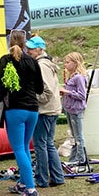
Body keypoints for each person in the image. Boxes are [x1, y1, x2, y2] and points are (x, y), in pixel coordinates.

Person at [0, 29, 44, 196]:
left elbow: (1, 86)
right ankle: (23, 183)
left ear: (9, 42)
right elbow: (40, 87)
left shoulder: (5, 60)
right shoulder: (32, 61)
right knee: (24, 147)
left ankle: (31, 189)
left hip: (15, 110)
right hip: (33, 109)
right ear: (26, 44)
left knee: (18, 149)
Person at [25, 36, 65, 188]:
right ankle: (57, 176)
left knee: (40, 145)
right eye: (28, 47)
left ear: (40, 49)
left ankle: (42, 178)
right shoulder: (47, 63)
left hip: (45, 110)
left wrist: (31, 97)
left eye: (31, 48)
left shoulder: (41, 66)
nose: (28, 51)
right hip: (52, 109)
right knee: (48, 144)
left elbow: (46, 91)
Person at [60, 51, 88, 167]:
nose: (65, 65)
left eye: (67, 62)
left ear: (75, 63)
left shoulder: (79, 78)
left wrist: (67, 92)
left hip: (76, 110)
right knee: (74, 135)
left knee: (79, 136)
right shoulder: (71, 77)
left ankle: (81, 159)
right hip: (69, 109)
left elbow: (82, 95)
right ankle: (73, 158)